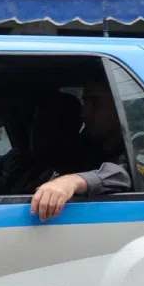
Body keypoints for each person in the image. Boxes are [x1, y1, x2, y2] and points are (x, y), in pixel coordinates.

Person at [29, 81, 134, 221]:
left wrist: (71, 182)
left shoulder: (139, 147)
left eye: (95, 103)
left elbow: (126, 173)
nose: (84, 114)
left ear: (121, 109)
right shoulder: (81, 149)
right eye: (85, 104)